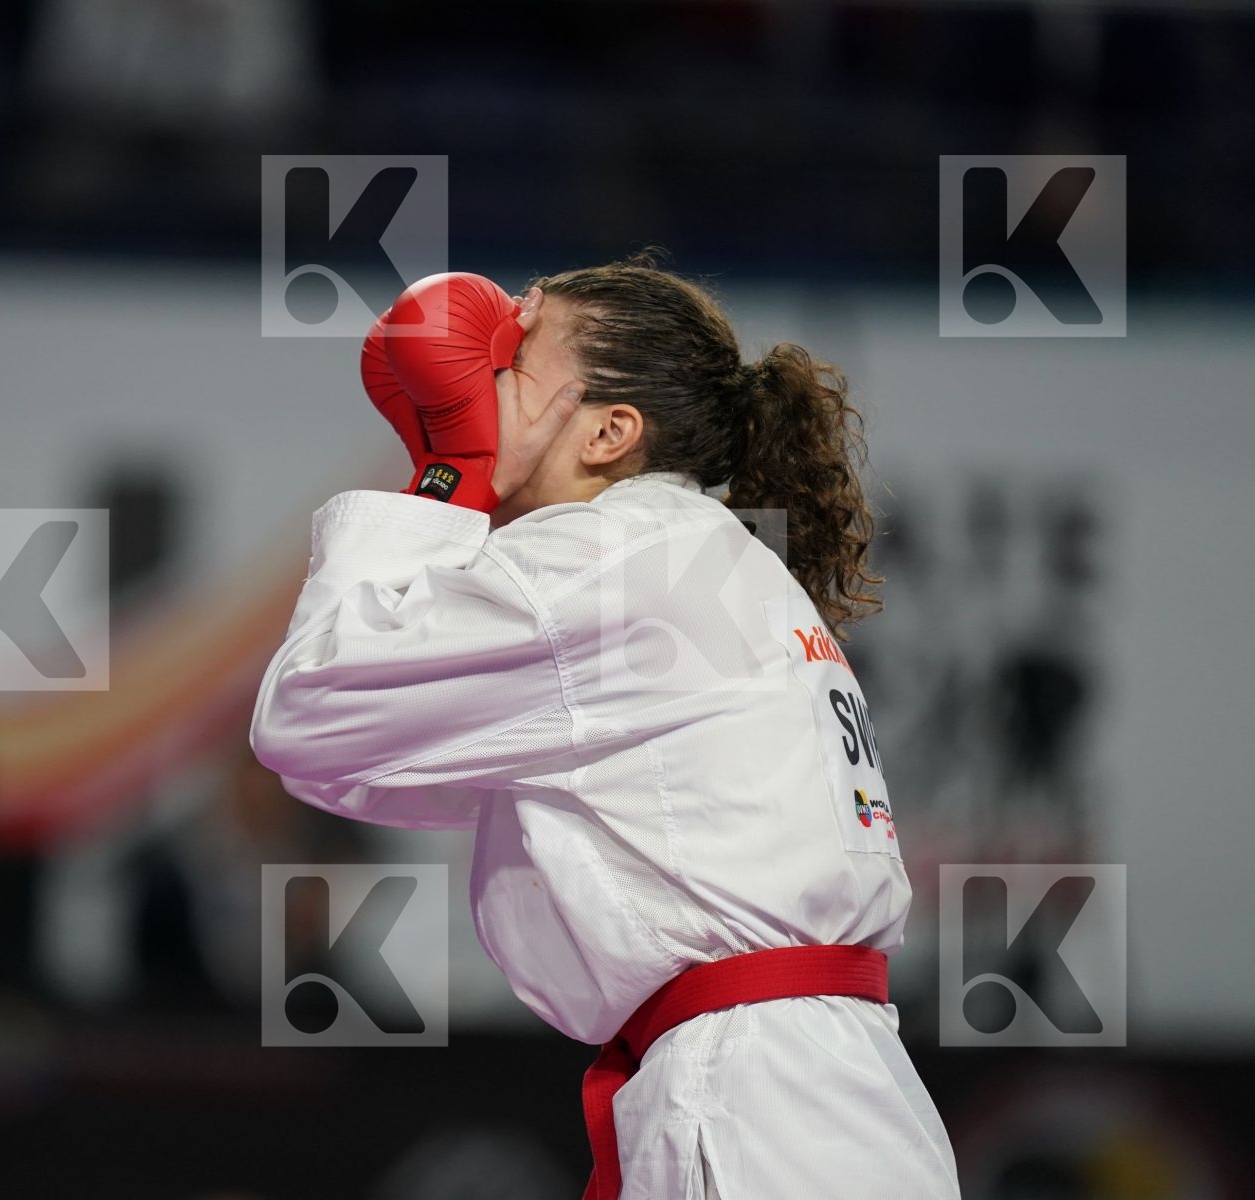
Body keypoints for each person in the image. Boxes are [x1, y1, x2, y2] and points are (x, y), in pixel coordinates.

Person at [250, 256, 960, 1199]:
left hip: (756, 1106)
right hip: (810, 1094)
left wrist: (446, 476)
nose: (479, 376)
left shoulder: (612, 556)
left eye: (513, 356)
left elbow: (307, 710)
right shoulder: (693, 560)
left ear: (610, 431)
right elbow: (359, 762)